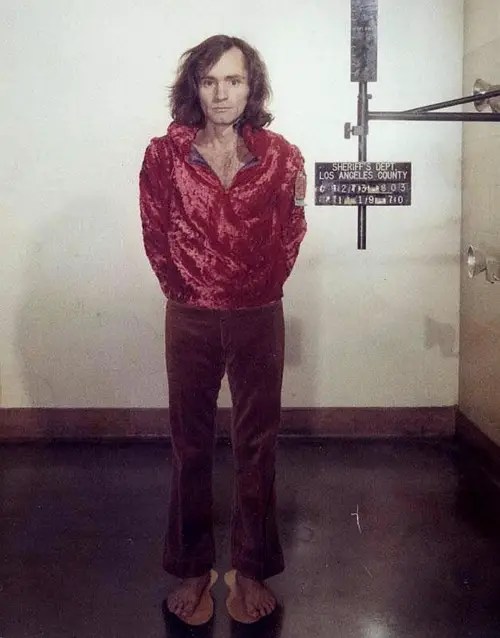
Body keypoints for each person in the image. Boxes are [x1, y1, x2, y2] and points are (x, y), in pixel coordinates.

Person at [139, 34, 307, 622]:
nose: (221, 93)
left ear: (250, 86)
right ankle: (193, 567)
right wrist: (186, 288)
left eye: (233, 80)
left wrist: (261, 285)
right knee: (189, 444)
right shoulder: (165, 155)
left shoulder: (282, 156)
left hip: (259, 314)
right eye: (209, 80)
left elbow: (292, 229)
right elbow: (155, 232)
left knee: (257, 444)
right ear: (195, 87)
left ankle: (250, 569)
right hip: (189, 315)